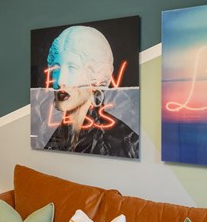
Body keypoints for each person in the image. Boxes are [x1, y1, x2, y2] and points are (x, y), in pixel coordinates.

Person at [43, 25, 140, 158]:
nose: (60, 81)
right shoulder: (51, 136)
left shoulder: (123, 142)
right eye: (55, 69)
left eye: (72, 68)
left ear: (96, 77)